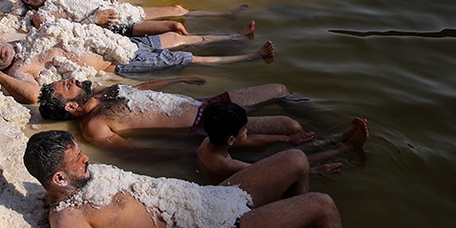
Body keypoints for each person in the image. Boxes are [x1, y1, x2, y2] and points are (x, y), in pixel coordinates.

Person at [23, 130, 350, 228]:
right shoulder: (69, 222)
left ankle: (282, 223)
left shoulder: (85, 177)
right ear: (58, 178)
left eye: (82, 152)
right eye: (78, 160)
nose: (88, 158)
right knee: (321, 205)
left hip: (215, 199)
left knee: (296, 160)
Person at [0, 4, 275, 104]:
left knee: (173, 36)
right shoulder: (20, 67)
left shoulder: (15, 41)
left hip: (114, 42)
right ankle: (250, 58)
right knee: (187, 59)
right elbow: (33, 96)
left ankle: (235, 38)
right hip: (122, 61)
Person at [37, 77, 310, 151]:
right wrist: (186, 152)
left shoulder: (101, 93)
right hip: (206, 124)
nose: (72, 79)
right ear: (71, 107)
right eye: (67, 86)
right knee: (289, 126)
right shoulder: (94, 126)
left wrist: (178, 80)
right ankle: (320, 147)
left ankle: (320, 122)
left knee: (279, 89)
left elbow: (140, 90)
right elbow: (133, 152)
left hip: (204, 103)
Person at [18, 0, 249, 38]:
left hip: (121, 10)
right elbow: (65, 32)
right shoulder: (42, 15)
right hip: (114, 25)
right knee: (174, 26)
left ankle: (226, 14)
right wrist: (95, 20)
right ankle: (227, 39)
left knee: (177, 7)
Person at [198, 101, 370, 183]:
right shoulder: (224, 165)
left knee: (281, 153)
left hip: (243, 163)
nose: (247, 131)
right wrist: (316, 170)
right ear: (230, 139)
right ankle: (347, 147)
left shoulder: (210, 140)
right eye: (244, 130)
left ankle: (337, 139)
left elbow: (249, 141)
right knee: (290, 160)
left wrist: (287, 138)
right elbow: (273, 172)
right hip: (243, 175)